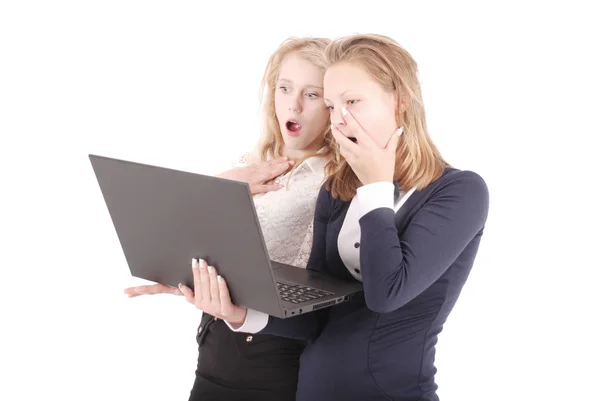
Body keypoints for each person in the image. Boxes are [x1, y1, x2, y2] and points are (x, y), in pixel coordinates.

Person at [182, 33, 490, 401]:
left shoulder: (458, 191)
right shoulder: (338, 190)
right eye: (330, 105)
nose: (339, 119)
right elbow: (317, 316)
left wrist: (376, 186)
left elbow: (387, 293)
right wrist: (239, 314)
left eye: (353, 101)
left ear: (402, 103)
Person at [124, 36, 335, 401]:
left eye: (311, 94)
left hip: (279, 358)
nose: (294, 105)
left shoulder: (336, 178)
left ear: (333, 105)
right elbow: (198, 236)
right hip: (216, 344)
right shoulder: (248, 163)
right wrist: (182, 276)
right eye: (285, 88)